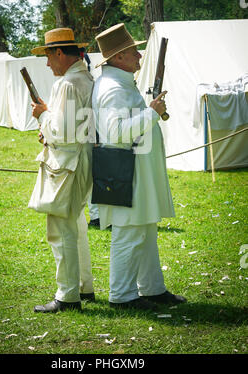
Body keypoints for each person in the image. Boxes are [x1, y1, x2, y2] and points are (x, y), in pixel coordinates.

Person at [92, 23, 187, 310]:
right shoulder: (113, 88)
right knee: (129, 234)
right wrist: (152, 113)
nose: (139, 56)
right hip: (127, 171)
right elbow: (116, 133)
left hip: (133, 170)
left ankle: (152, 289)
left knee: (144, 230)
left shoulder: (118, 82)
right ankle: (121, 296)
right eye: (134, 51)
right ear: (118, 57)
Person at [29, 27, 95, 313]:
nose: (47, 63)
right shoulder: (84, 79)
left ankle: (68, 296)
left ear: (59, 52)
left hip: (68, 164)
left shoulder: (67, 84)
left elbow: (63, 132)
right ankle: (83, 287)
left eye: (48, 56)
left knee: (61, 231)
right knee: (75, 226)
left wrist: (42, 115)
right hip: (77, 161)